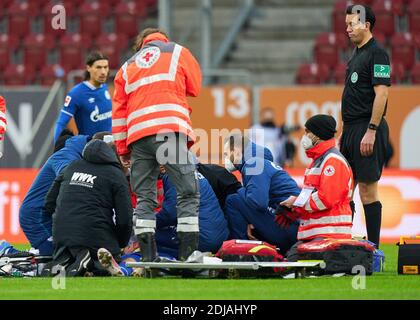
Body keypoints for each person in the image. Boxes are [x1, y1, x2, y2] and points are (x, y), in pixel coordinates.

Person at [112, 28, 202, 261]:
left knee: (145, 199)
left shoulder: (126, 67)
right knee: (188, 192)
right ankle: (188, 255)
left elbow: (119, 114)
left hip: (138, 137)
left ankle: (149, 258)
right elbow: (195, 87)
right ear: (163, 38)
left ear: (141, 44)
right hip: (168, 131)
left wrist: (123, 150)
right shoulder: (178, 51)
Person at [43, 139, 133, 277]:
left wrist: (60, 230)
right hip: (94, 236)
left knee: (69, 253)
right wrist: (121, 242)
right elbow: (125, 218)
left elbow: (49, 203)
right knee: (113, 259)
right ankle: (90, 263)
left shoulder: (71, 167)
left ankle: (71, 260)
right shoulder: (115, 175)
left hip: (62, 236)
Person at [340, 4, 391, 247]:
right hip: (351, 130)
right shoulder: (356, 54)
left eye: (352, 24)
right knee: (344, 189)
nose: (347, 28)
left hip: (366, 128)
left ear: (366, 25)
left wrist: (371, 130)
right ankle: (341, 243)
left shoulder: (377, 54)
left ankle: (375, 250)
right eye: (347, 24)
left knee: (367, 191)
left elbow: (381, 95)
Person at [279, 115, 353, 261]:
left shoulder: (332, 161)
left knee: (293, 265)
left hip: (329, 234)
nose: (305, 136)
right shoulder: (318, 161)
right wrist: (295, 207)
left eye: (308, 132)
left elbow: (325, 199)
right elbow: (312, 196)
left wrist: (296, 203)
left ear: (318, 135)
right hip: (317, 233)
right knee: (288, 261)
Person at [223, 134, 301, 254]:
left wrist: (238, 189)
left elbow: (258, 203)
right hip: (294, 225)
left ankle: (239, 252)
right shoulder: (260, 162)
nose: (225, 159)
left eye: (226, 154)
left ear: (237, 151)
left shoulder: (254, 163)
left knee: (233, 199)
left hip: (288, 225)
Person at [19, 130, 89, 256]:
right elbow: (70, 180)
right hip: (36, 216)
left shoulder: (73, 153)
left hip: (47, 213)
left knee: (67, 256)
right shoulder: (65, 156)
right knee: (56, 258)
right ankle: (7, 250)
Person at [155, 168, 229, 258]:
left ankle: (174, 261)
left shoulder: (173, 175)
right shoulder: (193, 172)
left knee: (148, 235)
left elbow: (170, 214)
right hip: (221, 237)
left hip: (202, 240)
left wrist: (148, 222)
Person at [53, 52, 112, 142]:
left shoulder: (104, 87)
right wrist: (57, 149)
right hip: (90, 149)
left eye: (105, 67)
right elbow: (61, 123)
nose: (103, 72)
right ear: (88, 68)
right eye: (98, 67)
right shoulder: (76, 93)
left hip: (110, 146)